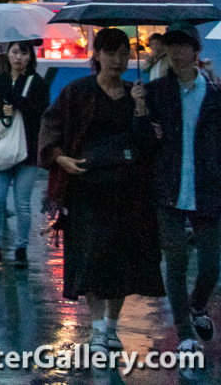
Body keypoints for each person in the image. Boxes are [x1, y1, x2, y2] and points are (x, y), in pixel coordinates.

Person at [39, 28, 164, 356]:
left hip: (127, 194)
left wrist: (140, 109)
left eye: (123, 53)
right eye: (109, 52)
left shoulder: (134, 93)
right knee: (91, 257)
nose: (117, 59)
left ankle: (112, 326)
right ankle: (97, 329)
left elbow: (147, 143)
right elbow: (51, 126)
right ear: (96, 55)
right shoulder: (77, 91)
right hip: (86, 190)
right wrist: (59, 158)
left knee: (120, 259)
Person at [137, 27, 221, 353]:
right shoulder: (156, 92)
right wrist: (142, 112)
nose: (174, 52)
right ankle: (184, 332)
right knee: (175, 260)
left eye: (181, 46)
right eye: (170, 46)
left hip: (207, 187)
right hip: (168, 186)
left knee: (212, 263)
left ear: (195, 50)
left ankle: (197, 304)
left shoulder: (213, 92)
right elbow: (144, 141)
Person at [0, 40, 49, 269]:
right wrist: (1, 111)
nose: (18, 57)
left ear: (30, 57)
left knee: (22, 203)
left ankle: (21, 248)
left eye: (23, 53)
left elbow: (39, 110)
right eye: (14, 52)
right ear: (7, 54)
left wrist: (16, 100)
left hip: (27, 149)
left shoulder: (36, 83)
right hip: (2, 148)